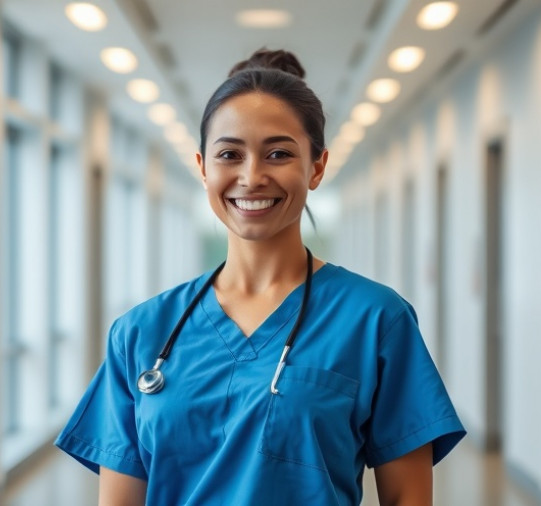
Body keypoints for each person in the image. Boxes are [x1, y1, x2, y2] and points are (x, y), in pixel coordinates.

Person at [55, 49, 465, 505]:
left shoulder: (376, 320)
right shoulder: (140, 333)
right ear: (203, 167)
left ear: (316, 166)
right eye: (230, 153)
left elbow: (408, 498)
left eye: (278, 153)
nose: (252, 177)